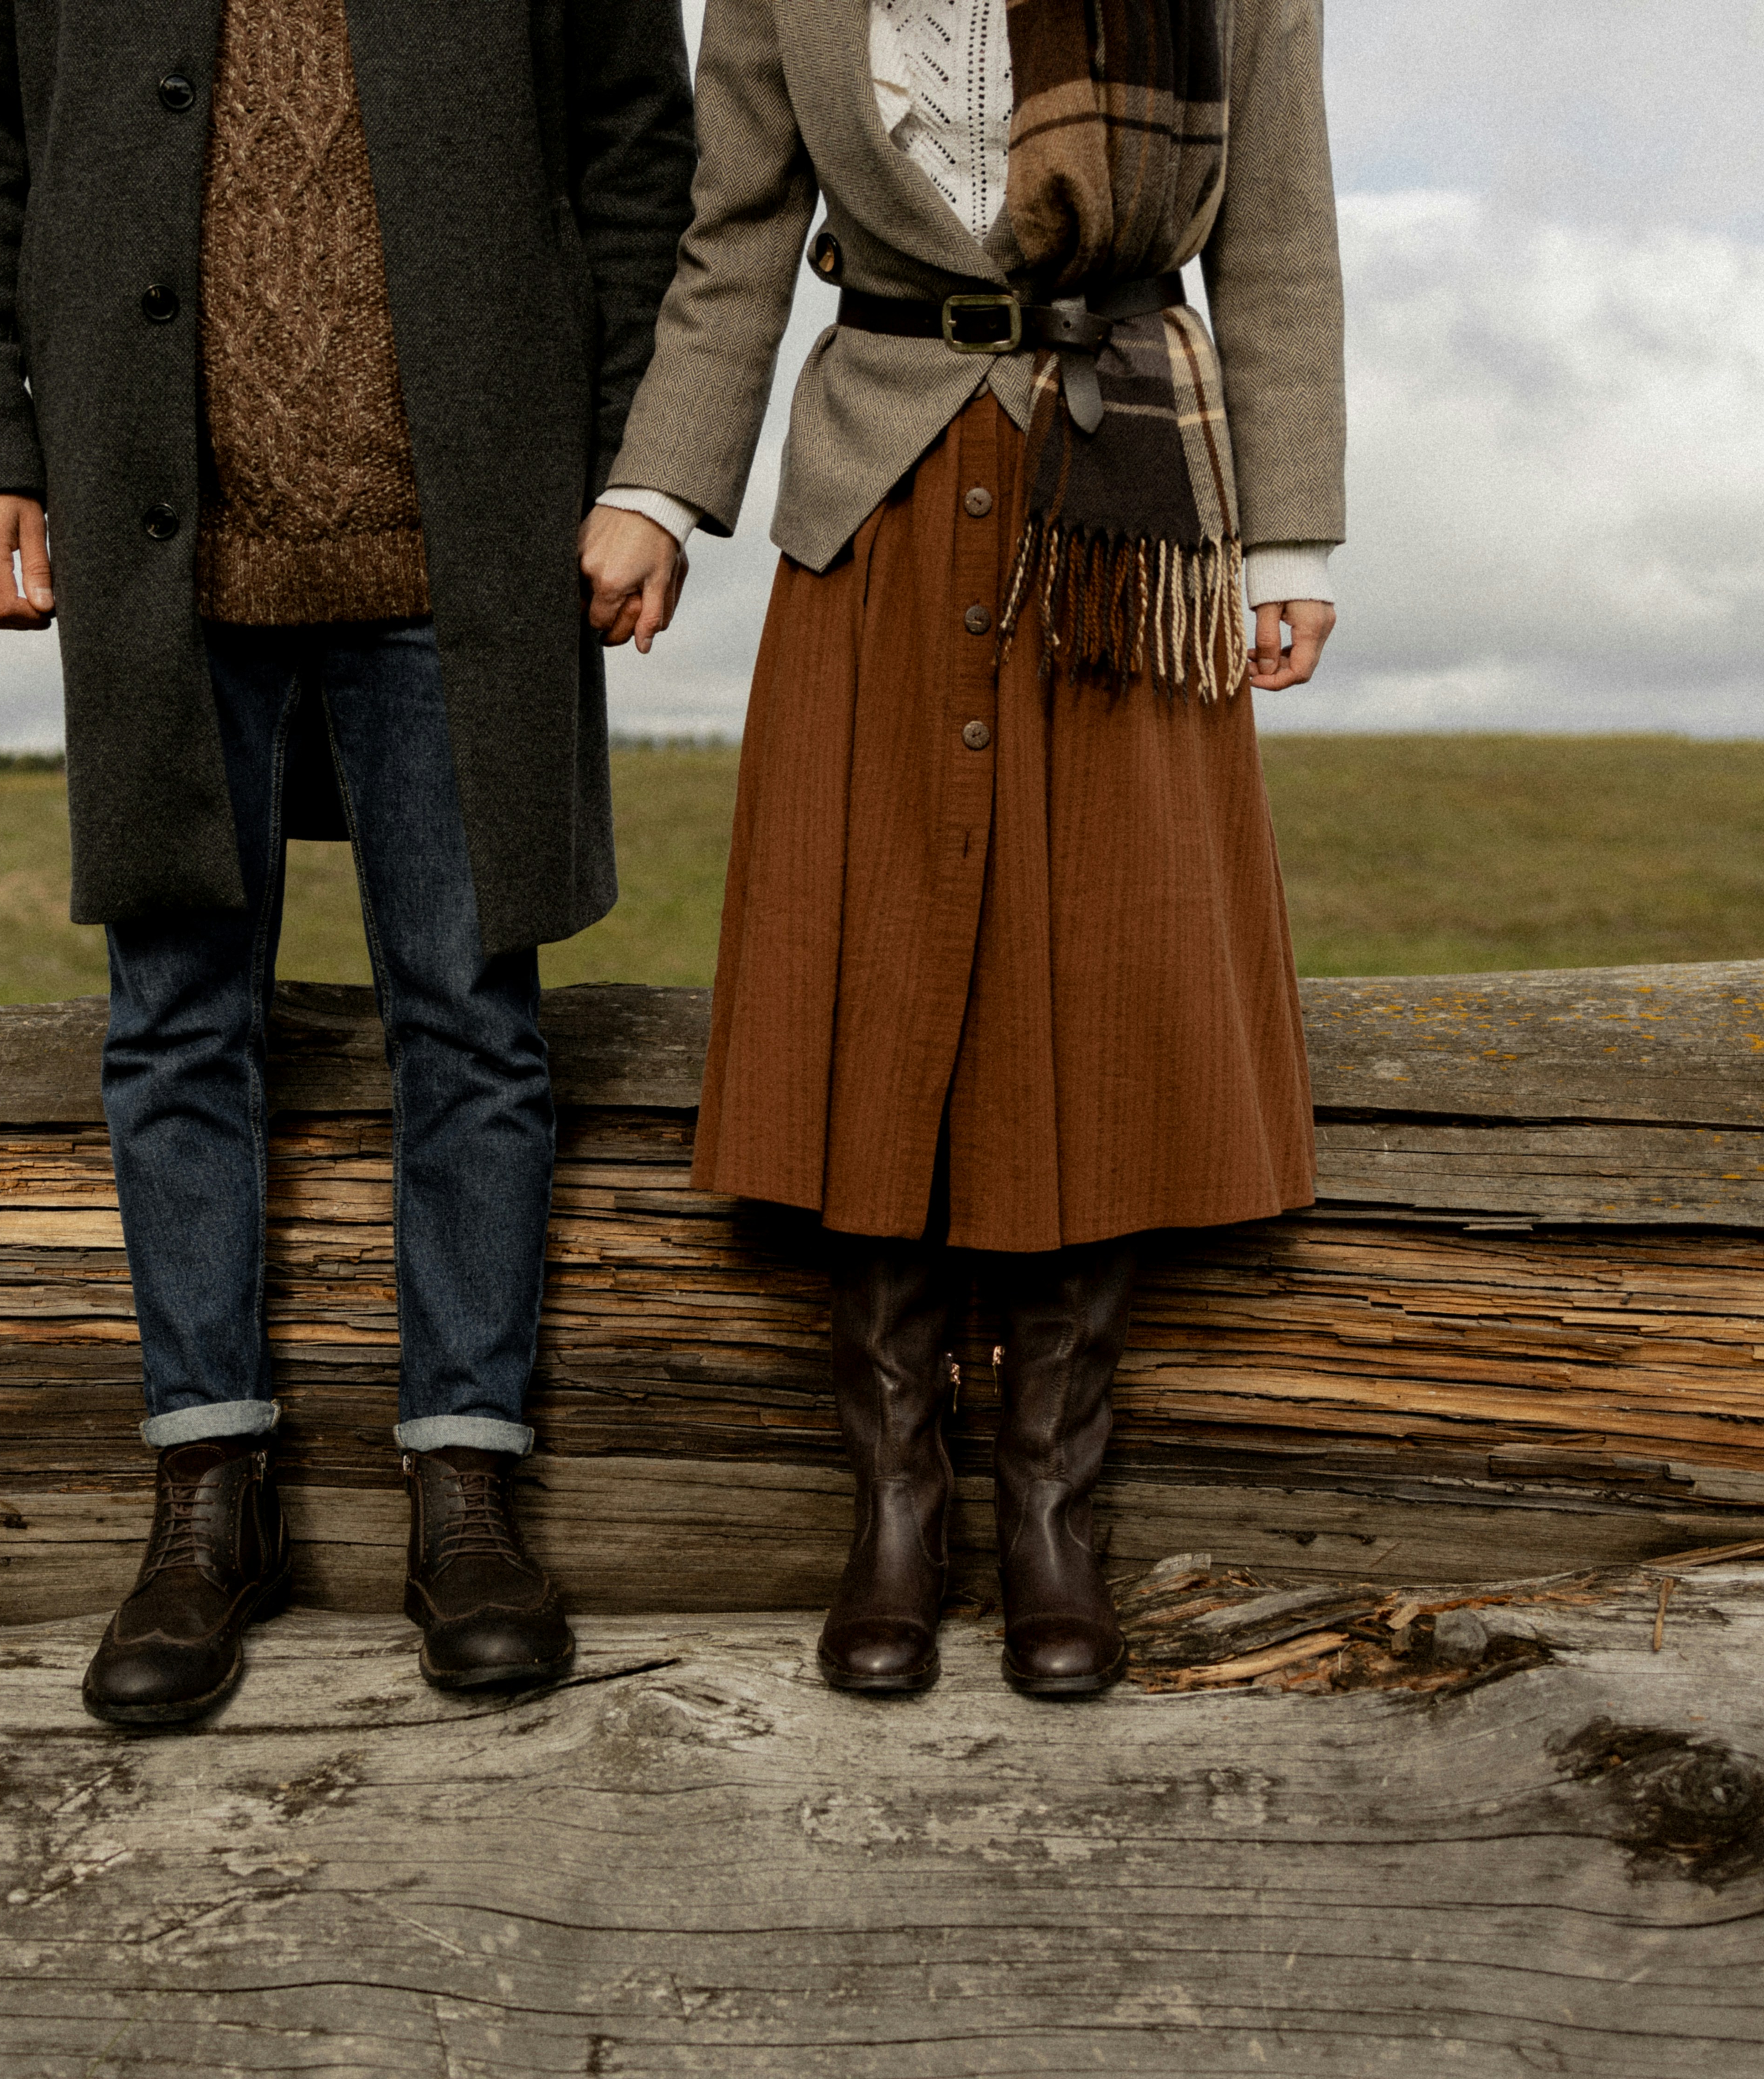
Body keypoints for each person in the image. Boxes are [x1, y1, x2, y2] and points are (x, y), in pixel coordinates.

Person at [0, 0, 696, 1728]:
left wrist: (644, 465)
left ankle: (467, 1498)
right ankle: (209, 1501)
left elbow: (643, 153)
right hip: (154, 533)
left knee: (473, 1024)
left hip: (470, 534)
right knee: (176, 1024)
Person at [576, 0, 1345, 1697]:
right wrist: (656, 490)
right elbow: (738, 237)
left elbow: (1280, 240)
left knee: (1102, 981)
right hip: (881, 504)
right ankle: (897, 1514)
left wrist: (1289, 531)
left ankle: (1057, 1517)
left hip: (1132, 505)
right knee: (874, 982)